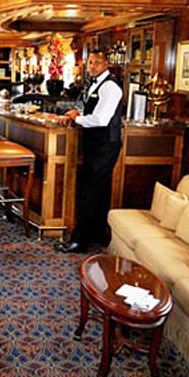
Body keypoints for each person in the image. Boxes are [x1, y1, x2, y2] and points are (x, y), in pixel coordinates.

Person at [56, 50, 123, 254]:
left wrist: (76, 119)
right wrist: (77, 113)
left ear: (106, 64)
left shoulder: (110, 86)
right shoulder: (96, 84)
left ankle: (79, 241)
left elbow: (101, 119)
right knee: (100, 190)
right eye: (90, 62)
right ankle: (98, 235)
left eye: (97, 62)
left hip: (105, 144)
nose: (92, 66)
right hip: (95, 143)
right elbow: (92, 111)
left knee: (90, 191)